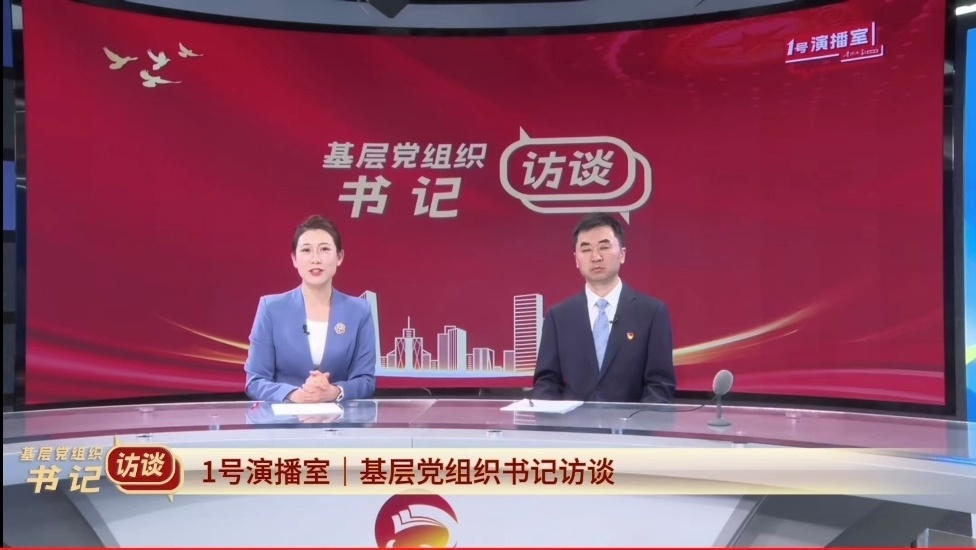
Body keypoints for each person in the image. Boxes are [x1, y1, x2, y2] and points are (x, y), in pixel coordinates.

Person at [532, 212, 676, 403]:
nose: (596, 257)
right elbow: (546, 382)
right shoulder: (558, 316)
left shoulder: (652, 313)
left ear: (622, 254)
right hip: (573, 421)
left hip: (632, 421)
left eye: (604, 247)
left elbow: (659, 385)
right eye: (586, 249)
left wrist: (637, 419)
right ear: (576, 259)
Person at [244, 215, 377, 403]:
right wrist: (296, 395)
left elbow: (366, 381)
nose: (315, 259)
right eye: (306, 250)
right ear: (294, 259)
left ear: (339, 257)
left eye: (324, 249)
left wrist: (334, 391)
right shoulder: (270, 309)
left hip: (341, 419)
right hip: (284, 418)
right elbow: (255, 381)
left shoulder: (359, 311)